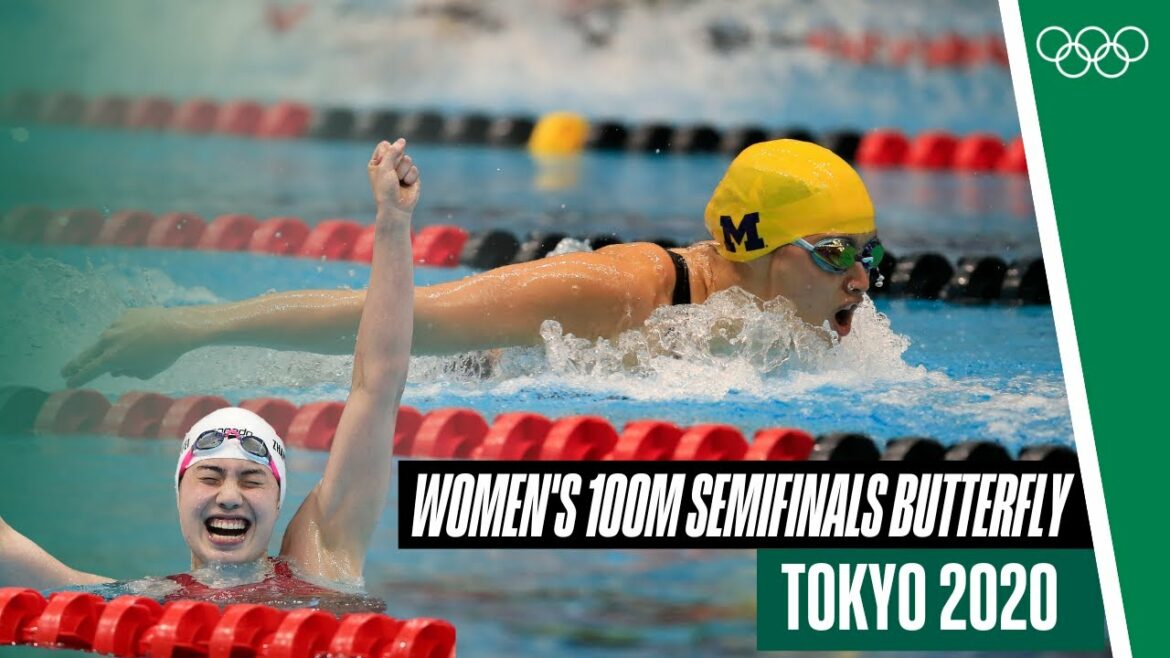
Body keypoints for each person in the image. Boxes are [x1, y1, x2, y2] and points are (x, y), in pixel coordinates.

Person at [60, 139, 882, 387]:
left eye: (869, 252)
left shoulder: (799, 321)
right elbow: (395, 324)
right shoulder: (616, 290)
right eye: (836, 252)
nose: (862, 278)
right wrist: (192, 328)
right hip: (428, 375)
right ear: (756, 248)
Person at [1, 138, 419, 592]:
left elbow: (378, 385)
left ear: (279, 501)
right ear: (179, 494)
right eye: (210, 477)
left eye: (252, 481)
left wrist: (393, 220)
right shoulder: (139, 607)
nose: (230, 498)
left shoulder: (320, 564)